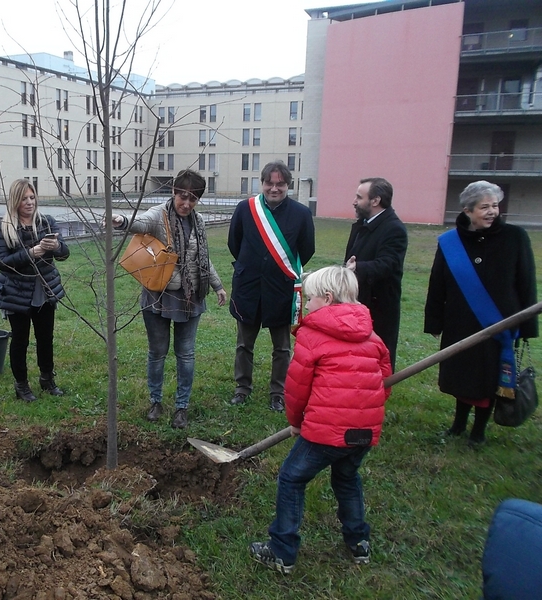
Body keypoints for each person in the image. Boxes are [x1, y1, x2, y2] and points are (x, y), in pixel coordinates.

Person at [248, 266, 392, 574]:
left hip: (325, 431)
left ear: (327, 298)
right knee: (347, 477)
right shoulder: (373, 335)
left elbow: (297, 388)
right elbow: (383, 382)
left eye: (309, 298)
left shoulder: (313, 335)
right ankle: (358, 543)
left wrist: (297, 421)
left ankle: (282, 550)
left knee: (292, 477)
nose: (307, 304)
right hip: (364, 431)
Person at [110, 169, 227, 429]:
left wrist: (217, 286)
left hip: (190, 296)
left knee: (185, 354)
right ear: (173, 192)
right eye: (182, 196)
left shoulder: (198, 222)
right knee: (157, 353)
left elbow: (203, 258)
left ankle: (181, 407)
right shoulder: (159, 216)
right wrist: (120, 220)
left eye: (193, 198)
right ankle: (156, 402)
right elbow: (140, 223)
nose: (186, 203)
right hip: (158, 295)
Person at [424, 180, 538, 445]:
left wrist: (528, 326)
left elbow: (526, 283)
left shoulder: (515, 237)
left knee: (488, 379)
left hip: (500, 323)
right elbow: (437, 282)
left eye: (495, 206)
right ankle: (458, 425)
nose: (491, 212)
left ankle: (479, 431)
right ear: (467, 210)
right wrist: (434, 322)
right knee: (463, 378)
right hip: (460, 322)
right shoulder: (450, 242)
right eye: (484, 207)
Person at [228, 161, 315, 411]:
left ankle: (278, 392)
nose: (274, 188)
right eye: (269, 183)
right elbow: (235, 242)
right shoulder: (246, 209)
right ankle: (242, 388)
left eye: (280, 184)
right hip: (249, 286)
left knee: (282, 347)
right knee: (244, 344)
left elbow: (306, 249)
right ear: (262, 183)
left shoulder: (301, 214)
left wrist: (280, 269)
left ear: (288, 185)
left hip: (281, 288)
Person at [0, 179, 70, 401]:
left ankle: (47, 379)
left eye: (32, 197)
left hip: (44, 291)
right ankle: (22, 386)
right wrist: (31, 252)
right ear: (16, 201)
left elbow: (64, 254)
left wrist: (56, 246)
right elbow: (2, 262)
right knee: (20, 340)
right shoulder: (4, 227)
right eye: (24, 198)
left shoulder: (47, 222)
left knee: (46, 338)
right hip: (16, 293)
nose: (29, 202)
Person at [344, 177, 408, 370]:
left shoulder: (394, 229)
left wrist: (357, 268)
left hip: (379, 306)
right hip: (357, 301)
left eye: (359, 197)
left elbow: (388, 264)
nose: (354, 201)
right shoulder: (362, 224)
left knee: (377, 357)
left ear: (375, 200)